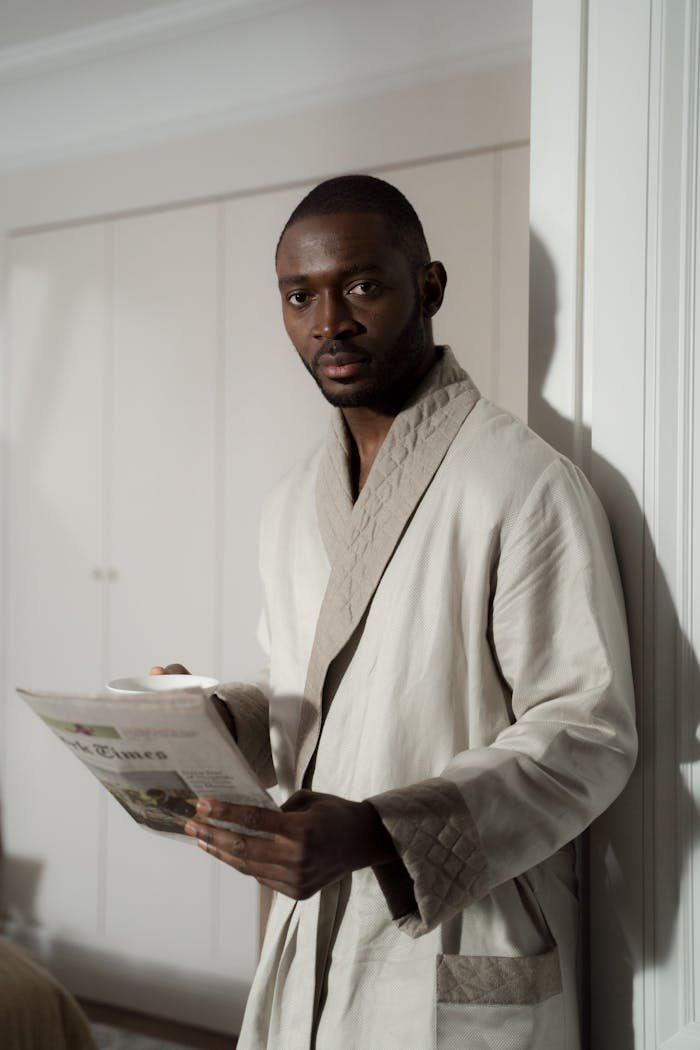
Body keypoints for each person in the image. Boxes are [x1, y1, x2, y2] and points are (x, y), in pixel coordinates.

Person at [152, 175, 637, 1050]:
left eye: (362, 286)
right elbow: (307, 692)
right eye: (299, 296)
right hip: (312, 929)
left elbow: (588, 734)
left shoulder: (520, 482)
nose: (327, 320)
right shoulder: (292, 501)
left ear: (431, 288)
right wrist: (208, 721)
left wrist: (378, 830)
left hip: (457, 940)